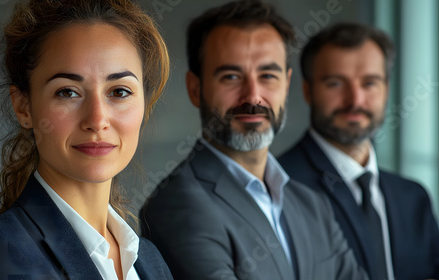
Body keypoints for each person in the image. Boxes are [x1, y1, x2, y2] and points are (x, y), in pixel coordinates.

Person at [0, 0, 172, 279]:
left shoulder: (149, 260)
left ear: (145, 105)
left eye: (120, 92)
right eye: (67, 92)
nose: (97, 120)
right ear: (23, 107)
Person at [140, 1, 368, 279]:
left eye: (267, 75)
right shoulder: (175, 205)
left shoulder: (313, 205)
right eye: (231, 76)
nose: (253, 96)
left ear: (286, 85)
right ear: (195, 89)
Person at [278, 22, 439, 280]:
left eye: (370, 83)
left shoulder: (414, 198)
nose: (355, 100)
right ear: (308, 91)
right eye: (335, 83)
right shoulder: (278, 187)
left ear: (387, 89)